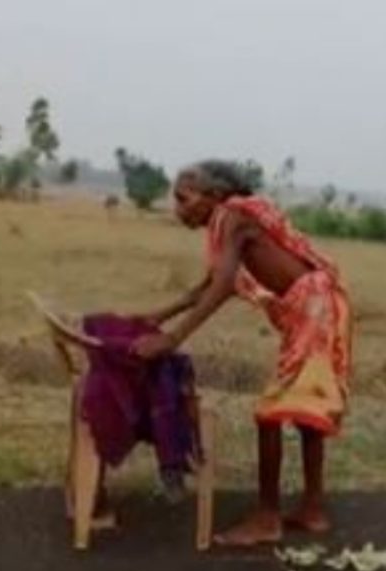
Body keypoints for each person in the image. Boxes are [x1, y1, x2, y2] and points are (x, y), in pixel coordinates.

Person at [132, 160, 352, 546]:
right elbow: (205, 288)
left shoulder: (233, 218)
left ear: (214, 197)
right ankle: (312, 510)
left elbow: (221, 289)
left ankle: (268, 518)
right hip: (319, 307)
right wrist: (156, 317)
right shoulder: (229, 225)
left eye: (184, 199)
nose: (178, 209)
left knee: (269, 415)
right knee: (307, 412)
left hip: (314, 312)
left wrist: (173, 338)